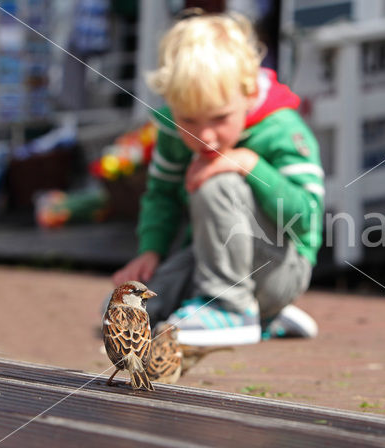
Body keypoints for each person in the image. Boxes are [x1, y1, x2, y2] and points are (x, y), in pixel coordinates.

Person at [111, 10, 324, 346]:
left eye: (220, 117)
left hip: (281, 269)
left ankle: (233, 309)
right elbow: (162, 194)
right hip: (212, 260)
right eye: (189, 121)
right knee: (127, 310)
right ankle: (264, 317)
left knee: (216, 181)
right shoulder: (171, 129)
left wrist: (250, 165)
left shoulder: (283, 129)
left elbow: (307, 217)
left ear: (250, 92)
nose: (205, 136)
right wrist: (150, 251)